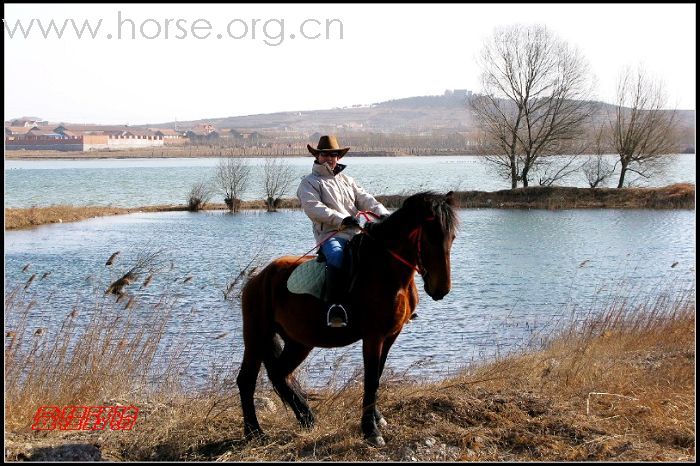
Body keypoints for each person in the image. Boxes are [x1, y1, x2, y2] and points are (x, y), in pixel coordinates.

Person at [297, 135, 390, 328]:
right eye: (325, 154)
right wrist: (342, 219)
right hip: (331, 235)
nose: (330, 158)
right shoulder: (309, 183)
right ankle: (335, 307)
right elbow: (313, 207)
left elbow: (367, 200)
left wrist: (385, 215)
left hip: (357, 233)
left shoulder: (348, 180)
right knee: (337, 257)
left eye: (334, 154)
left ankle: (393, 303)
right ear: (317, 156)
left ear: (338, 157)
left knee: (386, 253)